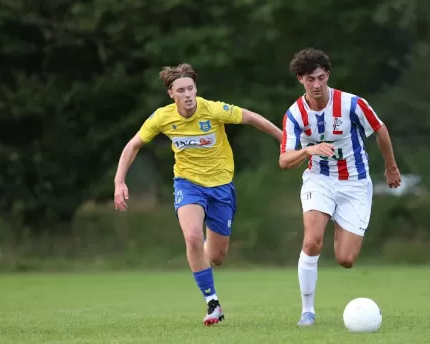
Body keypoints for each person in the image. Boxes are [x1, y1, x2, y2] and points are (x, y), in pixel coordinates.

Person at [113, 63, 282, 326]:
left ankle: (199, 257)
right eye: (181, 90)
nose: (188, 94)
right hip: (187, 184)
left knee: (216, 257)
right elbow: (133, 145)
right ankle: (212, 302)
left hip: (221, 187)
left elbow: (251, 118)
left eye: (190, 88)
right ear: (171, 93)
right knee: (192, 236)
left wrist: (284, 140)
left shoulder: (213, 109)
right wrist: (119, 181)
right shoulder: (162, 117)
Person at [278, 48, 402, 327]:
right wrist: (309, 150)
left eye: (321, 77)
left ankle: (334, 215)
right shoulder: (295, 114)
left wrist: (391, 167)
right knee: (311, 241)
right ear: (301, 79)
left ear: (328, 75)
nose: (317, 84)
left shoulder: (353, 104)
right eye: (311, 79)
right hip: (318, 180)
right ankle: (307, 311)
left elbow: (380, 130)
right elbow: (285, 160)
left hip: (355, 183)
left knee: (345, 259)